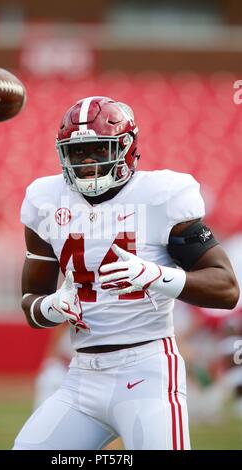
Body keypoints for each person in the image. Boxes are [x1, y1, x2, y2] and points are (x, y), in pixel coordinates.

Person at [13, 96, 240, 450]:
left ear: (126, 148)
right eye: (77, 152)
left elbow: (226, 288)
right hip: (81, 376)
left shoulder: (160, 196)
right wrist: (53, 306)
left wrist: (155, 276)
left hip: (147, 370)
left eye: (97, 150)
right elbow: (30, 304)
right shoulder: (46, 200)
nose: (86, 163)